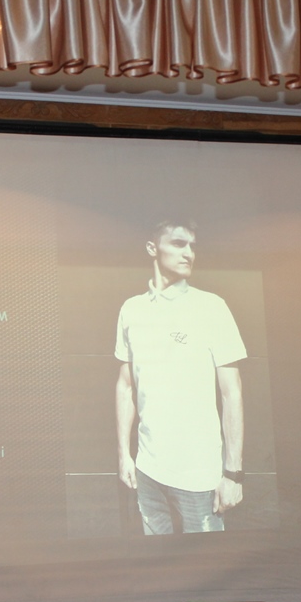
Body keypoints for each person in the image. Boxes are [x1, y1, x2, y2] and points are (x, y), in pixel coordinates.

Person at [114, 220, 246, 534]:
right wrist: (124, 455)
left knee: (205, 562)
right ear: (152, 248)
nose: (188, 253)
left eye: (192, 246)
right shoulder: (131, 310)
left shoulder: (212, 307)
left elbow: (232, 393)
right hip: (148, 471)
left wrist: (233, 475)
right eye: (178, 243)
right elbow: (125, 386)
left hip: (199, 478)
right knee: (158, 561)